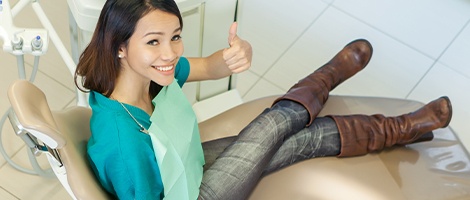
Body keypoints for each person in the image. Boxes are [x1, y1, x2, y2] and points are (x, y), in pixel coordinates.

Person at [74, 0, 453, 199]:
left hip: (190, 163)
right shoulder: (122, 142)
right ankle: (327, 82)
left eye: (175, 36)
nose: (170, 52)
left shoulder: (151, 73)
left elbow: (207, 66)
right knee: (276, 124)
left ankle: (397, 130)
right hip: (191, 196)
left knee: (299, 139)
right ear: (120, 47)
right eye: (153, 41)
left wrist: (235, 56)